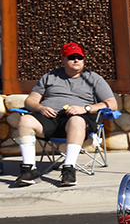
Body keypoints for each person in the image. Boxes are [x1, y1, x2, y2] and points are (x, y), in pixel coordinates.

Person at [14, 42, 118, 187]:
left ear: (84, 59)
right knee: (25, 120)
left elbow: (112, 104)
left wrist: (85, 108)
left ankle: (69, 168)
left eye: (79, 57)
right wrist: (40, 108)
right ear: (63, 59)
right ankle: (29, 169)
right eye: (71, 57)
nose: (76, 60)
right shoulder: (50, 77)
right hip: (49, 118)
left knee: (76, 120)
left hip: (78, 120)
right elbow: (30, 100)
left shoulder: (94, 78)